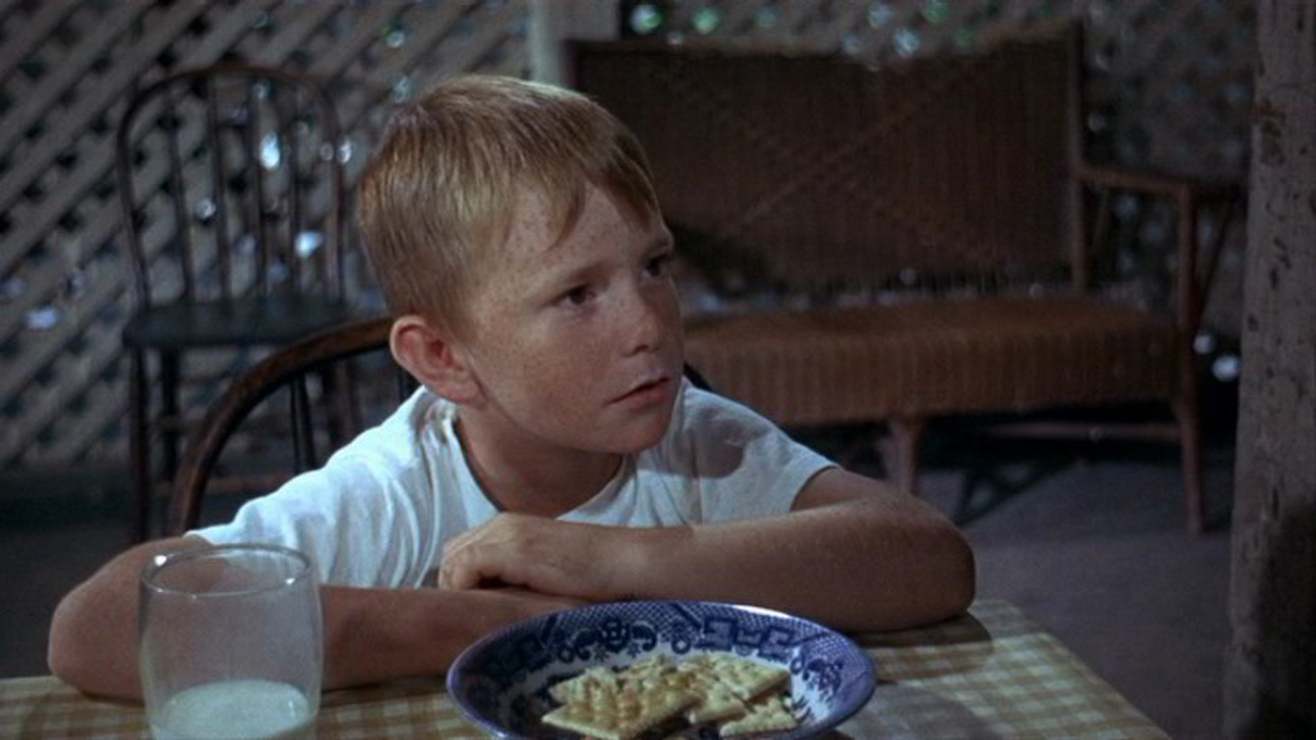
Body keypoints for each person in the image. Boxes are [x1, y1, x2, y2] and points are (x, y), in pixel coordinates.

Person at [48, 75, 974, 698]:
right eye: (577, 295)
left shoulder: (702, 448)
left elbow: (930, 559)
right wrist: (498, 625)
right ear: (443, 359)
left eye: (654, 266)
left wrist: (611, 563)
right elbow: (95, 625)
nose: (649, 323)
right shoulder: (393, 494)